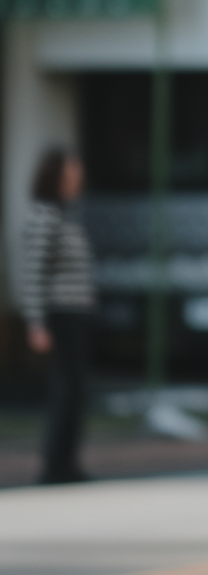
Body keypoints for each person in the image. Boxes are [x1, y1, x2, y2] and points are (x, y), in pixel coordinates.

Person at [21, 147, 95, 485]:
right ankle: (54, 464)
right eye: (71, 171)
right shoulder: (45, 216)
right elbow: (34, 272)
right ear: (56, 176)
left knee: (77, 390)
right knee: (65, 390)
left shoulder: (67, 215)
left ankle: (68, 462)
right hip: (59, 315)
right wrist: (36, 321)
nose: (77, 178)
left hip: (77, 313)